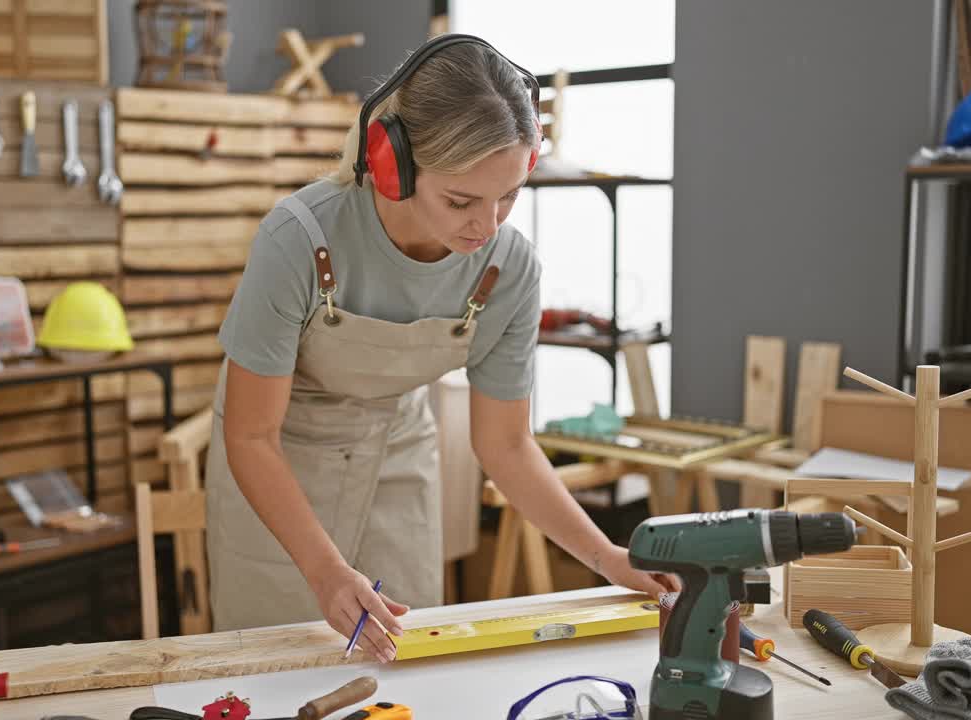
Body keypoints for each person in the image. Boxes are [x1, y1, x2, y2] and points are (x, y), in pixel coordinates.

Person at [205, 34, 676, 663]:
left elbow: (505, 444)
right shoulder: (299, 239)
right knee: (273, 671)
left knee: (409, 664)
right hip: (278, 464)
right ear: (393, 163)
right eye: (461, 200)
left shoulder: (510, 270)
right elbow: (250, 438)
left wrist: (606, 557)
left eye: (509, 196)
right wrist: (324, 571)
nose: (487, 227)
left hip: (398, 450)